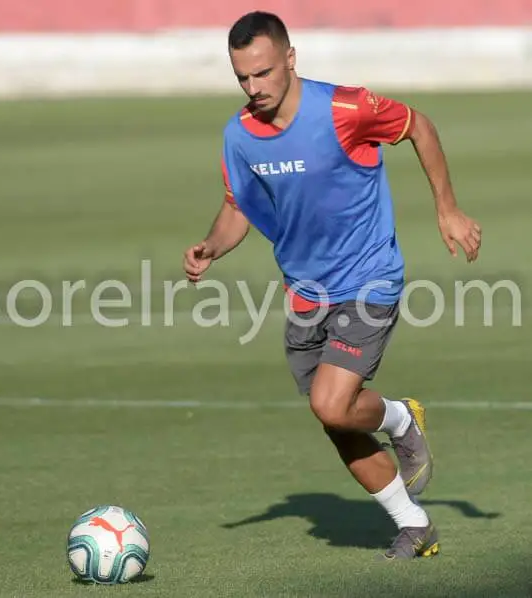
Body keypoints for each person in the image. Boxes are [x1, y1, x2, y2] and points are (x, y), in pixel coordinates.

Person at [182, 11, 482, 560]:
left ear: (291, 58)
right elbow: (236, 210)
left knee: (332, 402)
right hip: (305, 294)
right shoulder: (239, 136)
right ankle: (414, 526)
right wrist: (210, 247)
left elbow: (419, 125)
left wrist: (448, 208)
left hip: (369, 278)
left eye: (264, 73)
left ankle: (398, 417)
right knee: (337, 421)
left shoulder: (345, 108)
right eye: (243, 78)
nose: (255, 88)